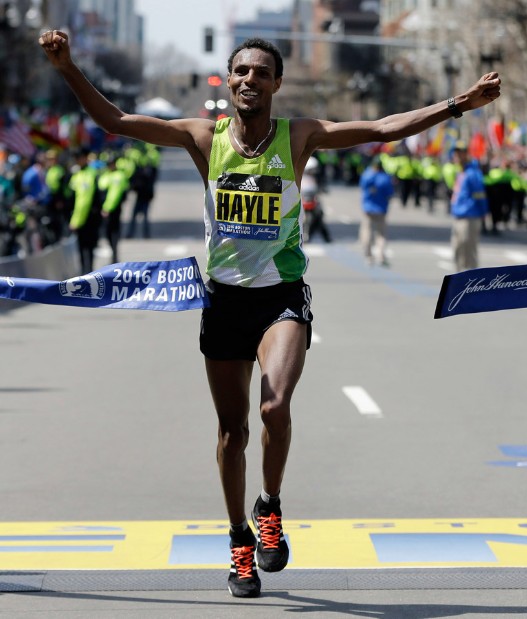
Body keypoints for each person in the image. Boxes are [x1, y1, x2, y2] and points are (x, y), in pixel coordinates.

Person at [40, 30, 501, 598]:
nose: (249, 80)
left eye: (261, 72)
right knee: (232, 433)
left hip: (281, 294)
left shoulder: (299, 136)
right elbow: (115, 121)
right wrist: (66, 67)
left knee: (274, 406)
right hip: (223, 300)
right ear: (229, 81)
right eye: (241, 72)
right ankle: (239, 542)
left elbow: (383, 128)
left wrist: (458, 104)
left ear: (277, 83)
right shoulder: (202, 138)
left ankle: (271, 506)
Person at [449, 143, 488, 271]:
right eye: (456, 153)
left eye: (460, 153)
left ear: (466, 154)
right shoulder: (461, 172)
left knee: (469, 250)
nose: (457, 156)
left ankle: (472, 278)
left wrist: (483, 213)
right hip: (458, 215)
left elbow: (480, 195)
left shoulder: (473, 173)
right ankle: (458, 276)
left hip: (470, 216)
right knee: (457, 248)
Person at [358, 157, 394, 266]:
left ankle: (368, 255)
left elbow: (362, 187)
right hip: (381, 208)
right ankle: (381, 255)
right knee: (381, 233)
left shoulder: (367, 175)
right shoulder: (385, 177)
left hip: (368, 208)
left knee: (367, 231)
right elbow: (390, 193)